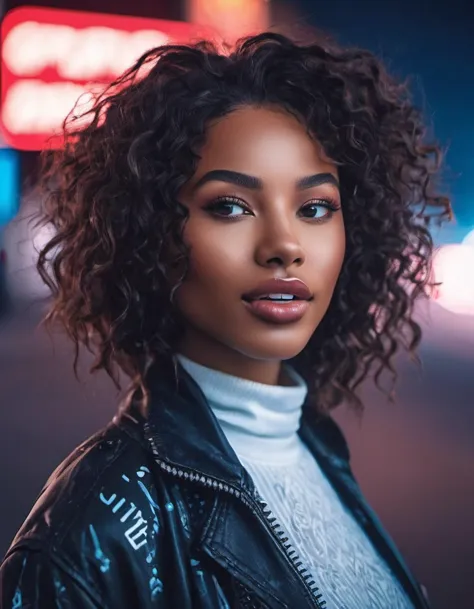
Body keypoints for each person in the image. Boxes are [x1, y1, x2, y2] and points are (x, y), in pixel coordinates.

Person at [0, 32, 450, 609]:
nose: (285, 245)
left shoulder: (314, 448)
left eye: (315, 208)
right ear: (152, 233)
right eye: (230, 206)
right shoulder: (83, 536)